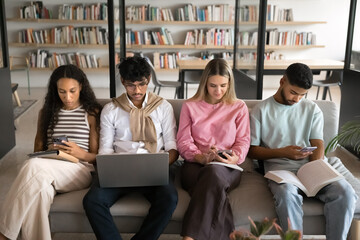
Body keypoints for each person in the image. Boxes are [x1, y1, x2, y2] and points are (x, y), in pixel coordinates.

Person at [248, 63, 358, 240]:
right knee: (286, 195)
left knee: (344, 192)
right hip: (280, 170)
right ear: (282, 81)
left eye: (302, 95)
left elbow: (318, 143)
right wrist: (283, 152)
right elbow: (252, 151)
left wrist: (316, 166)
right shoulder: (261, 111)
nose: (297, 99)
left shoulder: (312, 109)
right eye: (293, 92)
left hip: (310, 168)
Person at [0, 64, 102, 240]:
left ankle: (4, 233)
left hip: (80, 169)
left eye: (72, 91)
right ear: (55, 90)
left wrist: (79, 152)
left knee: (33, 166)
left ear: (81, 87)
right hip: (48, 166)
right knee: (40, 194)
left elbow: (97, 158)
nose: (67, 97)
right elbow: (36, 150)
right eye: (62, 91)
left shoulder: (91, 113)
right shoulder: (46, 113)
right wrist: (48, 151)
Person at [83, 56, 178, 240]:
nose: (137, 90)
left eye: (141, 84)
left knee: (169, 199)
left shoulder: (163, 107)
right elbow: (105, 150)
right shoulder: (111, 109)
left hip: (154, 171)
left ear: (149, 79)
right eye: (130, 85)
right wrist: (111, 167)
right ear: (122, 82)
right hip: (119, 172)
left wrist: (161, 164)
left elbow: (172, 147)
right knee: (92, 201)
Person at [176, 58, 251, 240]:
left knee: (214, 174)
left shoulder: (239, 107)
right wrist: (200, 157)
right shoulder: (190, 106)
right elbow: (183, 141)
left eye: (223, 85)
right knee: (213, 181)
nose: (218, 91)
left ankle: (190, 237)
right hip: (195, 164)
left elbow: (243, 140)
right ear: (204, 84)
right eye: (213, 86)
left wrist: (236, 158)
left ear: (230, 84)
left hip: (227, 165)